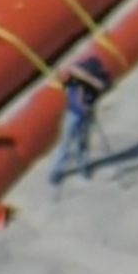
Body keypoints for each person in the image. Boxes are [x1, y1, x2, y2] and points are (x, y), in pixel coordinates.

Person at [49, 57, 110, 185]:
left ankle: (83, 166)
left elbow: (102, 85)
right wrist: (86, 78)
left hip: (86, 114)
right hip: (73, 114)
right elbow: (65, 68)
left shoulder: (97, 83)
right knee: (65, 143)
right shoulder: (75, 79)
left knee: (82, 143)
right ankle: (56, 170)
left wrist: (90, 81)